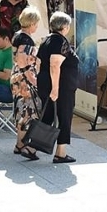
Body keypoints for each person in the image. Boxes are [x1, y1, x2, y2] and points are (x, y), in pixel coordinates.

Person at [34, 12, 79, 164]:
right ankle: (61, 152)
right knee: (64, 117)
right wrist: (55, 89)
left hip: (46, 83)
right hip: (61, 87)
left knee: (47, 115)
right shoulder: (60, 42)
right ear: (65, 27)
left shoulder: (46, 40)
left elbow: (38, 62)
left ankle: (32, 147)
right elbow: (55, 65)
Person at [10, 6, 43, 160]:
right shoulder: (26, 40)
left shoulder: (17, 35)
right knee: (27, 113)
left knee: (21, 111)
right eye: (36, 23)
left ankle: (19, 144)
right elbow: (25, 64)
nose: (37, 26)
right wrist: (34, 81)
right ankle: (24, 145)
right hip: (24, 80)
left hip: (16, 77)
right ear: (31, 24)